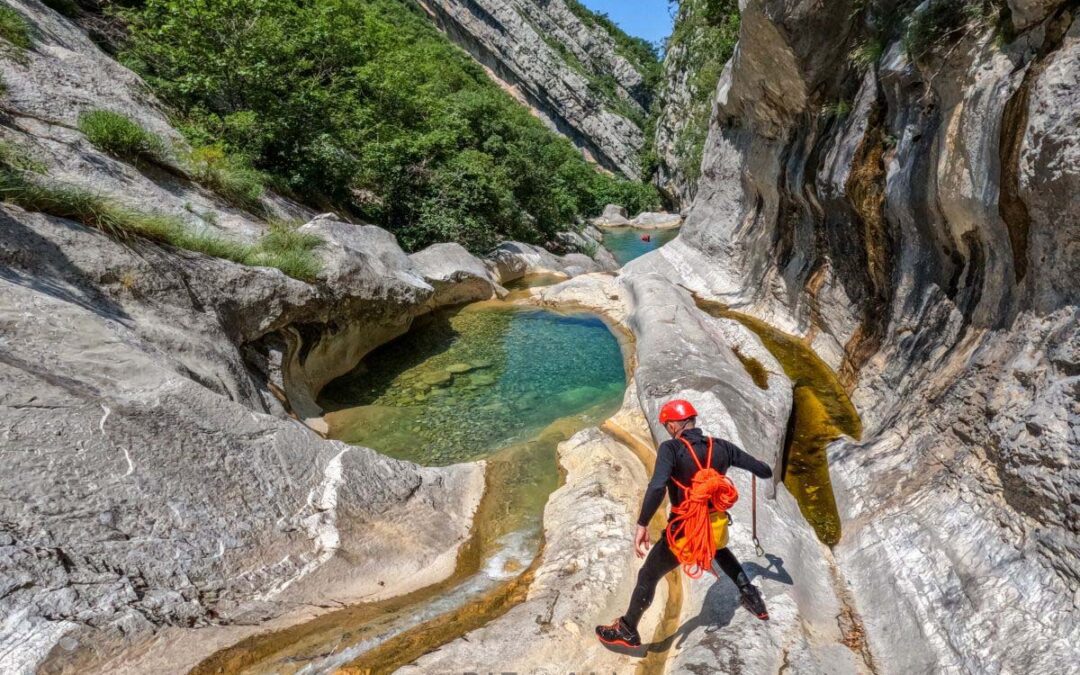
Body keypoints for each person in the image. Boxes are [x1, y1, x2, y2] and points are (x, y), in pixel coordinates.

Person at [596, 399, 773, 649]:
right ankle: (752, 597)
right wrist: (760, 462)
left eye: (667, 425)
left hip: (685, 531)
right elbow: (763, 471)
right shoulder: (721, 446)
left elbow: (657, 487)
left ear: (673, 425)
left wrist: (642, 524)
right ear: (692, 420)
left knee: (648, 574)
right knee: (717, 549)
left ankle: (627, 629)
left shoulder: (671, 449)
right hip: (715, 526)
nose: (668, 430)